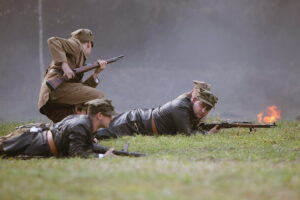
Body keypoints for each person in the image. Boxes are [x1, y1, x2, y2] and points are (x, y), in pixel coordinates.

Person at [95, 80, 220, 140]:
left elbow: (192, 128)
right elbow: (187, 134)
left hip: (139, 123)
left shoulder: (190, 108)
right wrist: (207, 134)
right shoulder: (180, 107)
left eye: (207, 108)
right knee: (96, 135)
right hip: (133, 123)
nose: (203, 110)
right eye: (202, 105)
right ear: (193, 99)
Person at [0, 99, 117, 158]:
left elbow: (88, 146)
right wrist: (102, 156)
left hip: (37, 139)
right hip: (37, 144)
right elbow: (76, 153)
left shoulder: (84, 122)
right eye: (109, 115)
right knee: (3, 148)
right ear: (100, 115)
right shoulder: (81, 125)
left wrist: (110, 151)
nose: (112, 119)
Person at [38, 28, 108, 123]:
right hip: (56, 90)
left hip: (52, 107)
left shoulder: (78, 58)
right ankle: (98, 129)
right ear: (88, 44)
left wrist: (96, 73)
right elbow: (52, 41)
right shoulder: (76, 46)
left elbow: (81, 90)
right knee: (98, 96)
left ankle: (85, 133)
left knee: (78, 117)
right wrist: (64, 64)